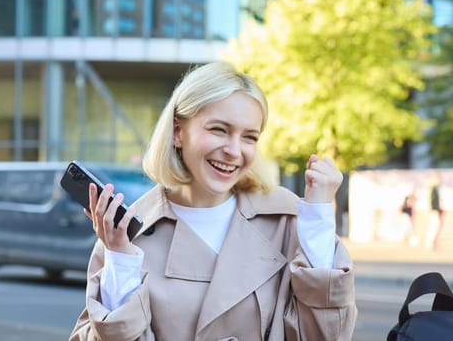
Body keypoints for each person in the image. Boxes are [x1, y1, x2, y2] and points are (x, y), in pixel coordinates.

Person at [68, 62, 357, 340]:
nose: (234, 150)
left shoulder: (287, 220)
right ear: (179, 132)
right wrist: (119, 260)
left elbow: (326, 335)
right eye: (219, 129)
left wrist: (319, 214)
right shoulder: (128, 234)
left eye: (249, 137)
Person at [424, 174, 443, 250]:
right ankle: (429, 243)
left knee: (434, 227)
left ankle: (431, 243)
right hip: (433, 211)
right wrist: (434, 209)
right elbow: (431, 201)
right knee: (434, 227)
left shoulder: (435, 188)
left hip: (434, 211)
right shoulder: (433, 188)